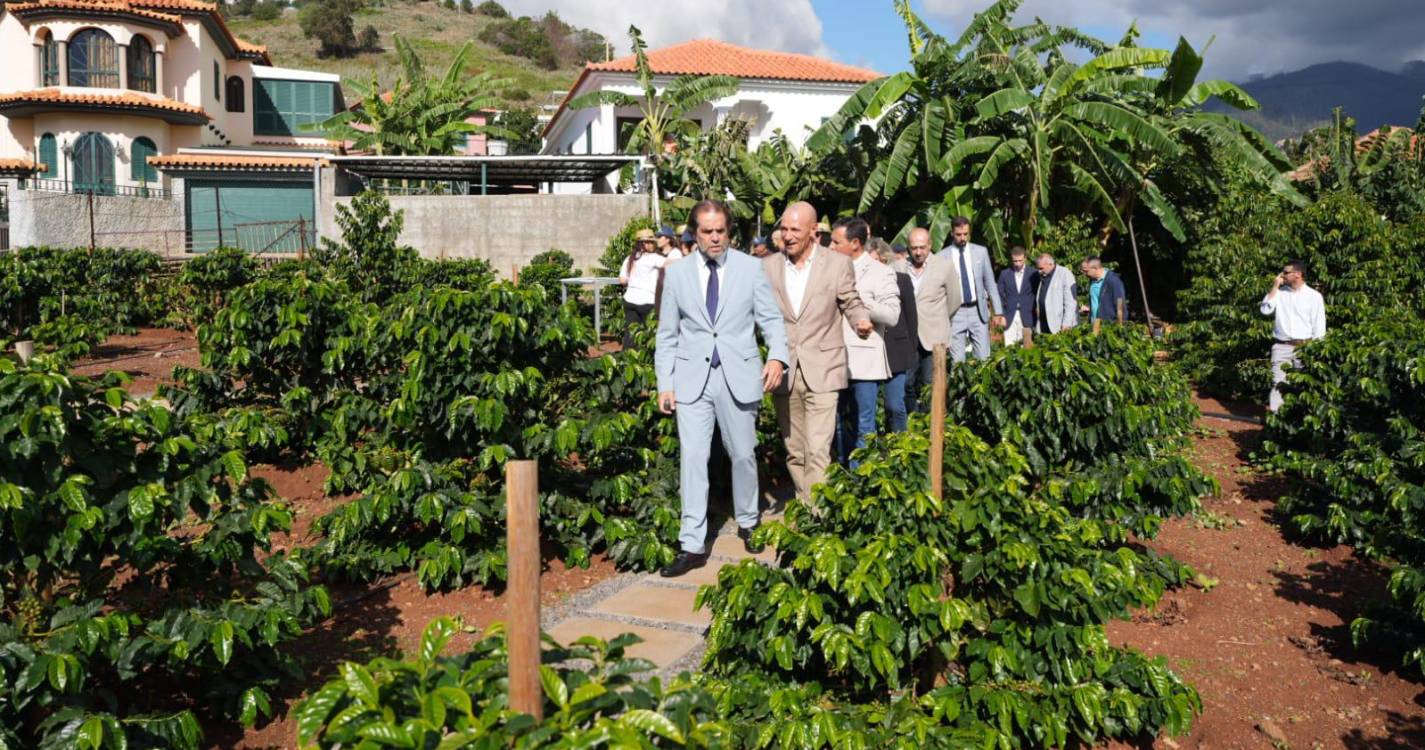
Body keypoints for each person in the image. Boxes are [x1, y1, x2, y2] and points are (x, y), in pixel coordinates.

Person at [655, 200, 789, 577]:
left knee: (743, 455)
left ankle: (748, 520)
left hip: (739, 375)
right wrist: (665, 383)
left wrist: (777, 357)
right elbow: (666, 334)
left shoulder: (750, 268)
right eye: (707, 232)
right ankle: (692, 543)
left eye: (721, 231)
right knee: (693, 460)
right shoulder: (678, 273)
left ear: (729, 231)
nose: (715, 238)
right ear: (694, 233)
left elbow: (770, 320)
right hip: (692, 380)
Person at [762, 201, 870, 503]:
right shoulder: (768, 267)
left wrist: (860, 319)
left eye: (795, 229)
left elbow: (850, 300)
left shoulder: (836, 264)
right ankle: (804, 502)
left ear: (813, 231)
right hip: (785, 371)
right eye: (783, 228)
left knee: (818, 449)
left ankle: (815, 519)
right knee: (795, 451)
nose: (787, 235)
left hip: (824, 367)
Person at [830, 218, 900, 466]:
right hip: (832, 358)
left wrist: (857, 303)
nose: (830, 246)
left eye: (836, 242)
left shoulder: (881, 271)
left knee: (864, 424)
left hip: (864, 362)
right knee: (833, 424)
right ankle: (839, 474)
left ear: (855, 244)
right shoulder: (828, 269)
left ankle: (861, 481)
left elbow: (892, 315)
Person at [897, 227, 963, 414]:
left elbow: (954, 300)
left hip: (934, 335)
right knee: (906, 383)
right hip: (907, 336)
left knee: (930, 383)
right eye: (914, 248)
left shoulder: (944, 266)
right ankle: (912, 420)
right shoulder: (898, 267)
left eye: (922, 248)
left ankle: (930, 423)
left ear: (930, 245)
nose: (918, 252)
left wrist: (939, 319)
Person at [1259, 259, 1325, 412]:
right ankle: (1276, 420)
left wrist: (1315, 351)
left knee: (1304, 386)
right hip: (1282, 346)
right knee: (1278, 384)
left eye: (1286, 272)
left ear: (1298, 275)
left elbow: (1319, 327)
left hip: (1305, 347)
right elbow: (1265, 310)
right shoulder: (1280, 294)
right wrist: (1275, 286)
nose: (1282, 275)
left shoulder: (1314, 296)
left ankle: (1300, 421)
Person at [936, 216, 1003, 362]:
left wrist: (998, 312)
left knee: (983, 359)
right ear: (952, 233)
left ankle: (982, 385)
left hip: (978, 311)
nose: (962, 238)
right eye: (959, 234)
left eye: (966, 234)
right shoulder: (941, 256)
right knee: (957, 362)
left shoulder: (981, 252)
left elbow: (990, 283)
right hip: (955, 312)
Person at [873, 239, 918, 432]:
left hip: (897, 350)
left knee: (894, 403)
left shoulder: (902, 280)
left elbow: (911, 318)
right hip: (871, 349)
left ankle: (901, 442)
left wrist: (911, 350)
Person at [619, 228, 666, 348]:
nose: (651, 244)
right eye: (649, 242)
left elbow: (623, 280)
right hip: (648, 302)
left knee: (630, 333)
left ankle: (627, 360)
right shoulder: (653, 258)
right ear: (642, 243)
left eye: (652, 242)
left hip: (629, 300)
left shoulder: (630, 259)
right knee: (649, 335)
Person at [996, 246, 1038, 347]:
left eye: (1020, 260)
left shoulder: (1033, 273)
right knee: (1009, 347)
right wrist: (1001, 314)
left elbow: (1038, 293)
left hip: (1028, 315)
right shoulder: (1004, 274)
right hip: (1009, 315)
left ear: (1025, 258)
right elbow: (998, 296)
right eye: (1015, 261)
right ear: (1011, 259)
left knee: (1027, 348)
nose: (1018, 264)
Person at [1034, 253, 1078, 334]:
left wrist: (1066, 323)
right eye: (1038, 268)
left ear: (1050, 264)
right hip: (1044, 323)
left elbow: (1070, 302)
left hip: (1059, 324)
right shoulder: (1043, 275)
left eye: (1041, 268)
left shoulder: (1064, 273)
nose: (1039, 271)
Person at [1080, 256, 1128, 324]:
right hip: (1094, 326)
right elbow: (1098, 301)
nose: (1084, 273)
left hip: (1108, 327)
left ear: (1095, 268)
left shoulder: (1113, 281)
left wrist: (1120, 326)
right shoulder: (1092, 280)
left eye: (1086, 271)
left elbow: (1120, 305)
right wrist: (1089, 308)